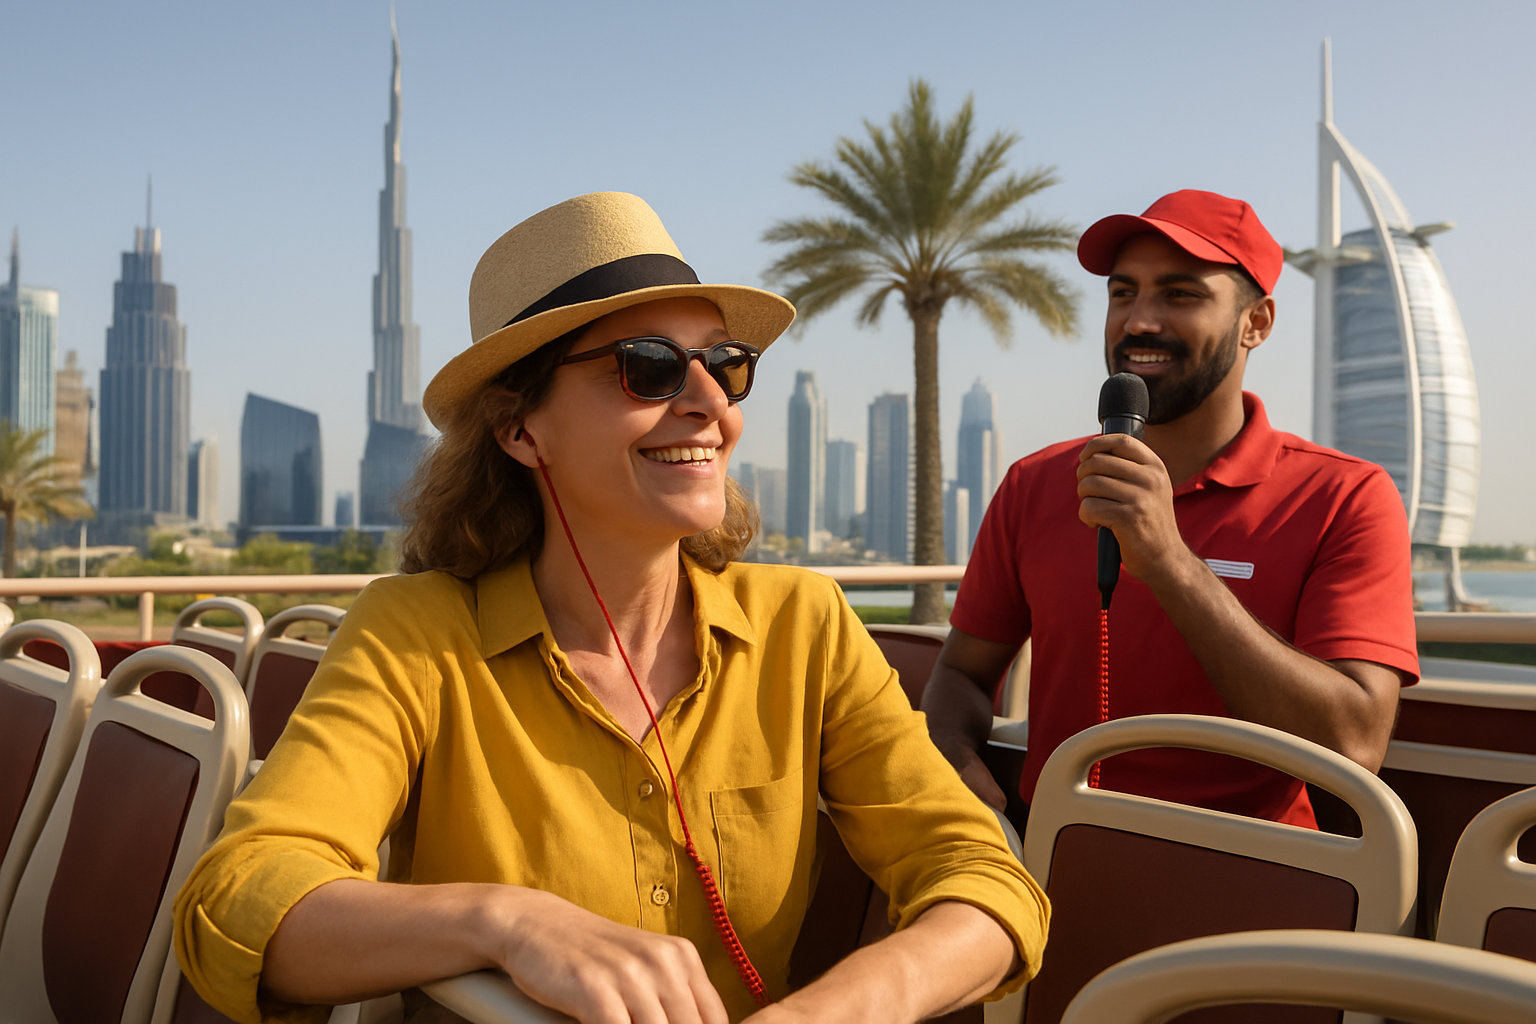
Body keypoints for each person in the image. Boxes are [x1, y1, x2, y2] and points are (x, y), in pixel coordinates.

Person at [174, 192, 1047, 1024]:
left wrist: (839, 1007)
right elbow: (239, 904)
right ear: (520, 430)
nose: (709, 404)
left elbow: (983, 876)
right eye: (650, 368)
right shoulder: (417, 638)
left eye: (725, 363)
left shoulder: (803, 626)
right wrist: (508, 924)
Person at [921, 189, 1419, 829]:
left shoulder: (1346, 495)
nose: (1139, 322)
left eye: (1180, 295)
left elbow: (1354, 743)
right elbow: (961, 673)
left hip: (1255, 875)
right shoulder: (1034, 482)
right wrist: (958, 764)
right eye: (1123, 293)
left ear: (1256, 323)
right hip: (1050, 861)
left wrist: (1170, 563)